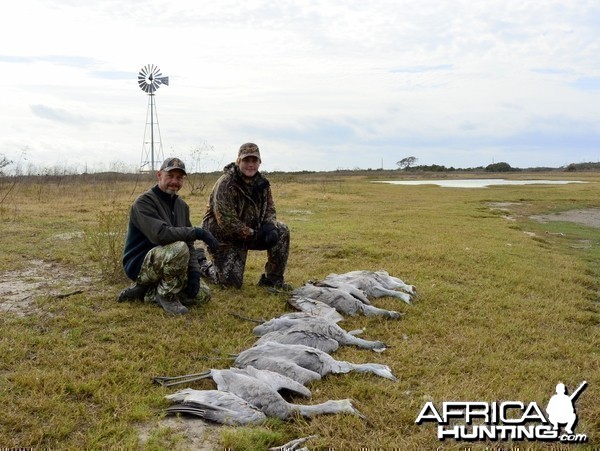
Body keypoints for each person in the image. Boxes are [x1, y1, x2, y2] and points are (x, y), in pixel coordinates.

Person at [118, 157, 219, 315]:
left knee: (203, 295)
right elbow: (160, 235)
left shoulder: (182, 206)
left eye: (179, 178)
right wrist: (198, 232)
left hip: (170, 261)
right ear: (159, 175)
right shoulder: (143, 202)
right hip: (140, 263)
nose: (174, 181)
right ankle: (166, 295)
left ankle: (146, 292)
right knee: (179, 248)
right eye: (170, 176)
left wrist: (193, 273)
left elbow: (190, 243)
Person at [200, 142, 290, 289]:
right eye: (246, 160)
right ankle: (202, 264)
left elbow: (270, 209)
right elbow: (227, 223)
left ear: (259, 162)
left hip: (250, 232)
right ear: (238, 161)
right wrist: (255, 234)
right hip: (223, 236)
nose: (250, 164)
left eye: (254, 160)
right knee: (231, 284)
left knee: (282, 231)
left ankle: (273, 280)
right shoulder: (225, 183)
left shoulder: (262, 184)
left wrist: (269, 227)